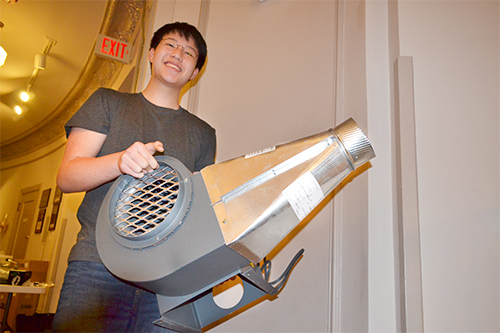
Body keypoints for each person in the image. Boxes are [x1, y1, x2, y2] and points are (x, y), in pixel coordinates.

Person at [52, 22, 216, 332]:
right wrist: (119, 162)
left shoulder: (204, 135)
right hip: (96, 266)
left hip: (168, 280)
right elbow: (67, 177)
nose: (178, 54)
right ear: (152, 53)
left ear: (195, 72)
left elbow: (198, 212)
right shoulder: (107, 102)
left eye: (189, 52)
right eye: (170, 45)